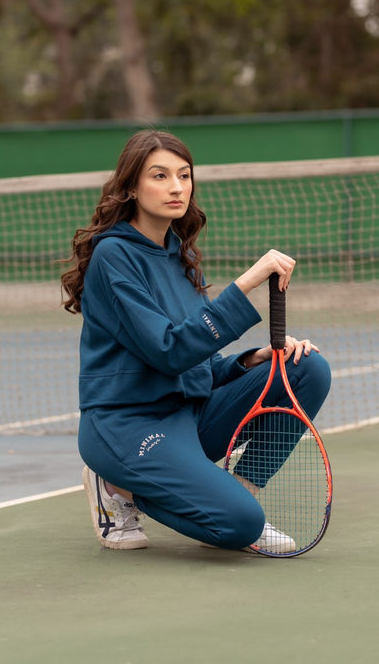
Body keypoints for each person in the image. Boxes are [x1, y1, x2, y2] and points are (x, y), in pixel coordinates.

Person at [61, 130, 331, 553]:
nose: (176, 187)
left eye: (184, 176)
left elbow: (196, 364)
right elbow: (168, 352)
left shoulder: (181, 256)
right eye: (160, 176)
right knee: (240, 526)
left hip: (188, 416)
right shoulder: (114, 255)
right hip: (129, 425)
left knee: (307, 368)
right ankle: (116, 485)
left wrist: (251, 361)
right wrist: (245, 286)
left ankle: (239, 491)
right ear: (131, 187)